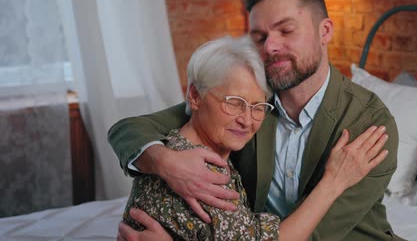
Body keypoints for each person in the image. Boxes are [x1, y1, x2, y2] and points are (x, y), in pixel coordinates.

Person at [109, 0, 403, 240]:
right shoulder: (248, 101)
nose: (270, 47)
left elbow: (318, 235)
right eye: (259, 37)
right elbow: (129, 129)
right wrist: (166, 163)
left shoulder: (370, 122)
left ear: (324, 31)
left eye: (286, 31)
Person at [121, 35, 389, 240]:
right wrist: (334, 181)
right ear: (195, 96)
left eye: (258, 106)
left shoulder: (178, 142)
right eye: (235, 102)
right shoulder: (199, 174)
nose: (247, 120)